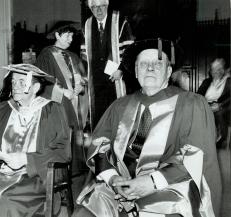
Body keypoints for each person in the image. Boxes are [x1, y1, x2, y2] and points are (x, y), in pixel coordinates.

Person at [74, 38, 221, 217]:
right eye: (143, 64)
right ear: (136, 71)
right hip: (118, 188)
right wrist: (113, 178)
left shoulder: (191, 104)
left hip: (169, 188)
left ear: (168, 72)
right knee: (85, 212)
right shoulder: (119, 106)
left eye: (158, 63)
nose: (150, 68)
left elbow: (196, 155)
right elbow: (98, 146)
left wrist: (151, 182)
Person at [0, 64, 71, 217]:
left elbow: (62, 150)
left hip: (35, 175)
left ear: (35, 87)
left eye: (22, 82)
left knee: (3, 200)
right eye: (14, 82)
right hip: (1, 171)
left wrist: (26, 159)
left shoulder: (52, 110)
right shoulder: (3, 108)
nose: (15, 86)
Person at [36, 23, 89, 174]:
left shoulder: (73, 56)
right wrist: (63, 92)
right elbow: (42, 80)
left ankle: (74, 169)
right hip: (57, 103)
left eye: (72, 36)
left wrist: (80, 85)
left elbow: (83, 77)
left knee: (74, 133)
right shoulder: (46, 54)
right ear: (57, 35)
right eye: (67, 35)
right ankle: (59, 169)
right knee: (61, 134)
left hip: (75, 102)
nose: (71, 39)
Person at [81, 0, 140, 127]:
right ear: (91, 9)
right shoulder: (87, 25)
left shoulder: (120, 21)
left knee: (118, 112)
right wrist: (85, 75)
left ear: (107, 6)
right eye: (95, 7)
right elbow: (84, 54)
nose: (99, 10)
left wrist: (121, 69)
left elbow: (130, 49)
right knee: (99, 115)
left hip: (117, 77)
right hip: (96, 80)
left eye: (102, 6)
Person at [197, 58, 230, 149]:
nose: (217, 71)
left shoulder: (228, 82)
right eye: (214, 69)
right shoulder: (207, 82)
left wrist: (220, 105)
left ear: (223, 70)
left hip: (221, 106)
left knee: (218, 113)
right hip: (205, 105)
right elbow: (198, 95)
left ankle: (220, 139)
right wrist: (204, 105)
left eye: (219, 69)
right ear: (211, 71)